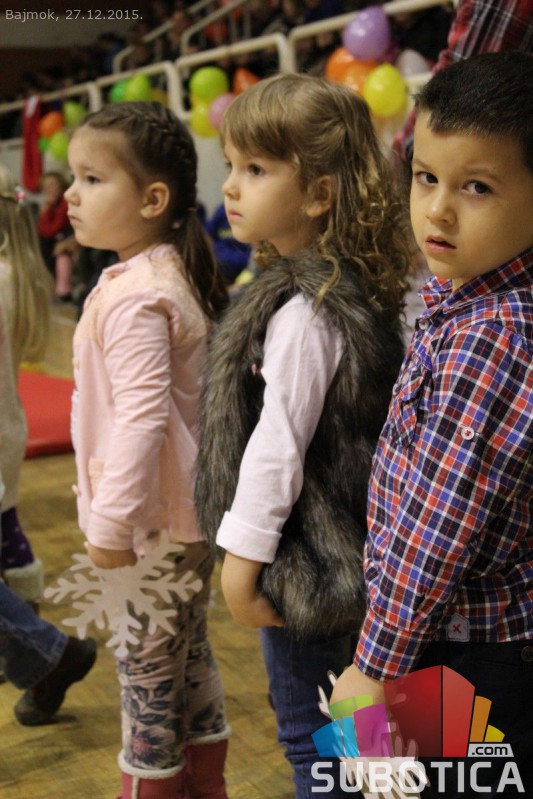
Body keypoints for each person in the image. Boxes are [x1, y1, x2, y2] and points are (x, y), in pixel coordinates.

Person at [194, 73, 411, 798]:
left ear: (318, 193)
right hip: (356, 560)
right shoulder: (355, 288)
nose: (231, 186)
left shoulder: (306, 313)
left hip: (310, 570)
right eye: (232, 165)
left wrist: (241, 561)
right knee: (365, 738)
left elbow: (277, 445)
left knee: (313, 741)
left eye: (255, 169)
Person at [331, 52, 533, 798]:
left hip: (463, 652)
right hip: (449, 638)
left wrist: (372, 666)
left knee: (387, 780)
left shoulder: (491, 335)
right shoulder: (466, 300)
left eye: (476, 187)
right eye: (425, 177)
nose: (438, 210)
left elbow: (438, 527)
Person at [65, 101, 230, 799]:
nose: (70, 194)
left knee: (147, 685)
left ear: (152, 199)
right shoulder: (160, 274)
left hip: (149, 527)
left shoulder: (139, 295)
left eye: (92, 178)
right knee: (185, 659)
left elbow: (141, 417)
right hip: (178, 521)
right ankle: (207, 786)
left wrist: (109, 523)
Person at [0, 165, 52, 608]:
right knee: (6, 525)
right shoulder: (15, 273)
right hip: (8, 426)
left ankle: (23, 626)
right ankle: (26, 608)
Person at [37, 171, 74, 301]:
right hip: (56, 242)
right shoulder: (52, 206)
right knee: (42, 244)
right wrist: (46, 209)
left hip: (70, 241)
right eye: (45, 187)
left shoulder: (65, 204)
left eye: (52, 185)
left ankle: (64, 292)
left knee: (59, 252)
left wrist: (46, 210)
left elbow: (53, 229)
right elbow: (43, 231)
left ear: (61, 186)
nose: (48, 189)